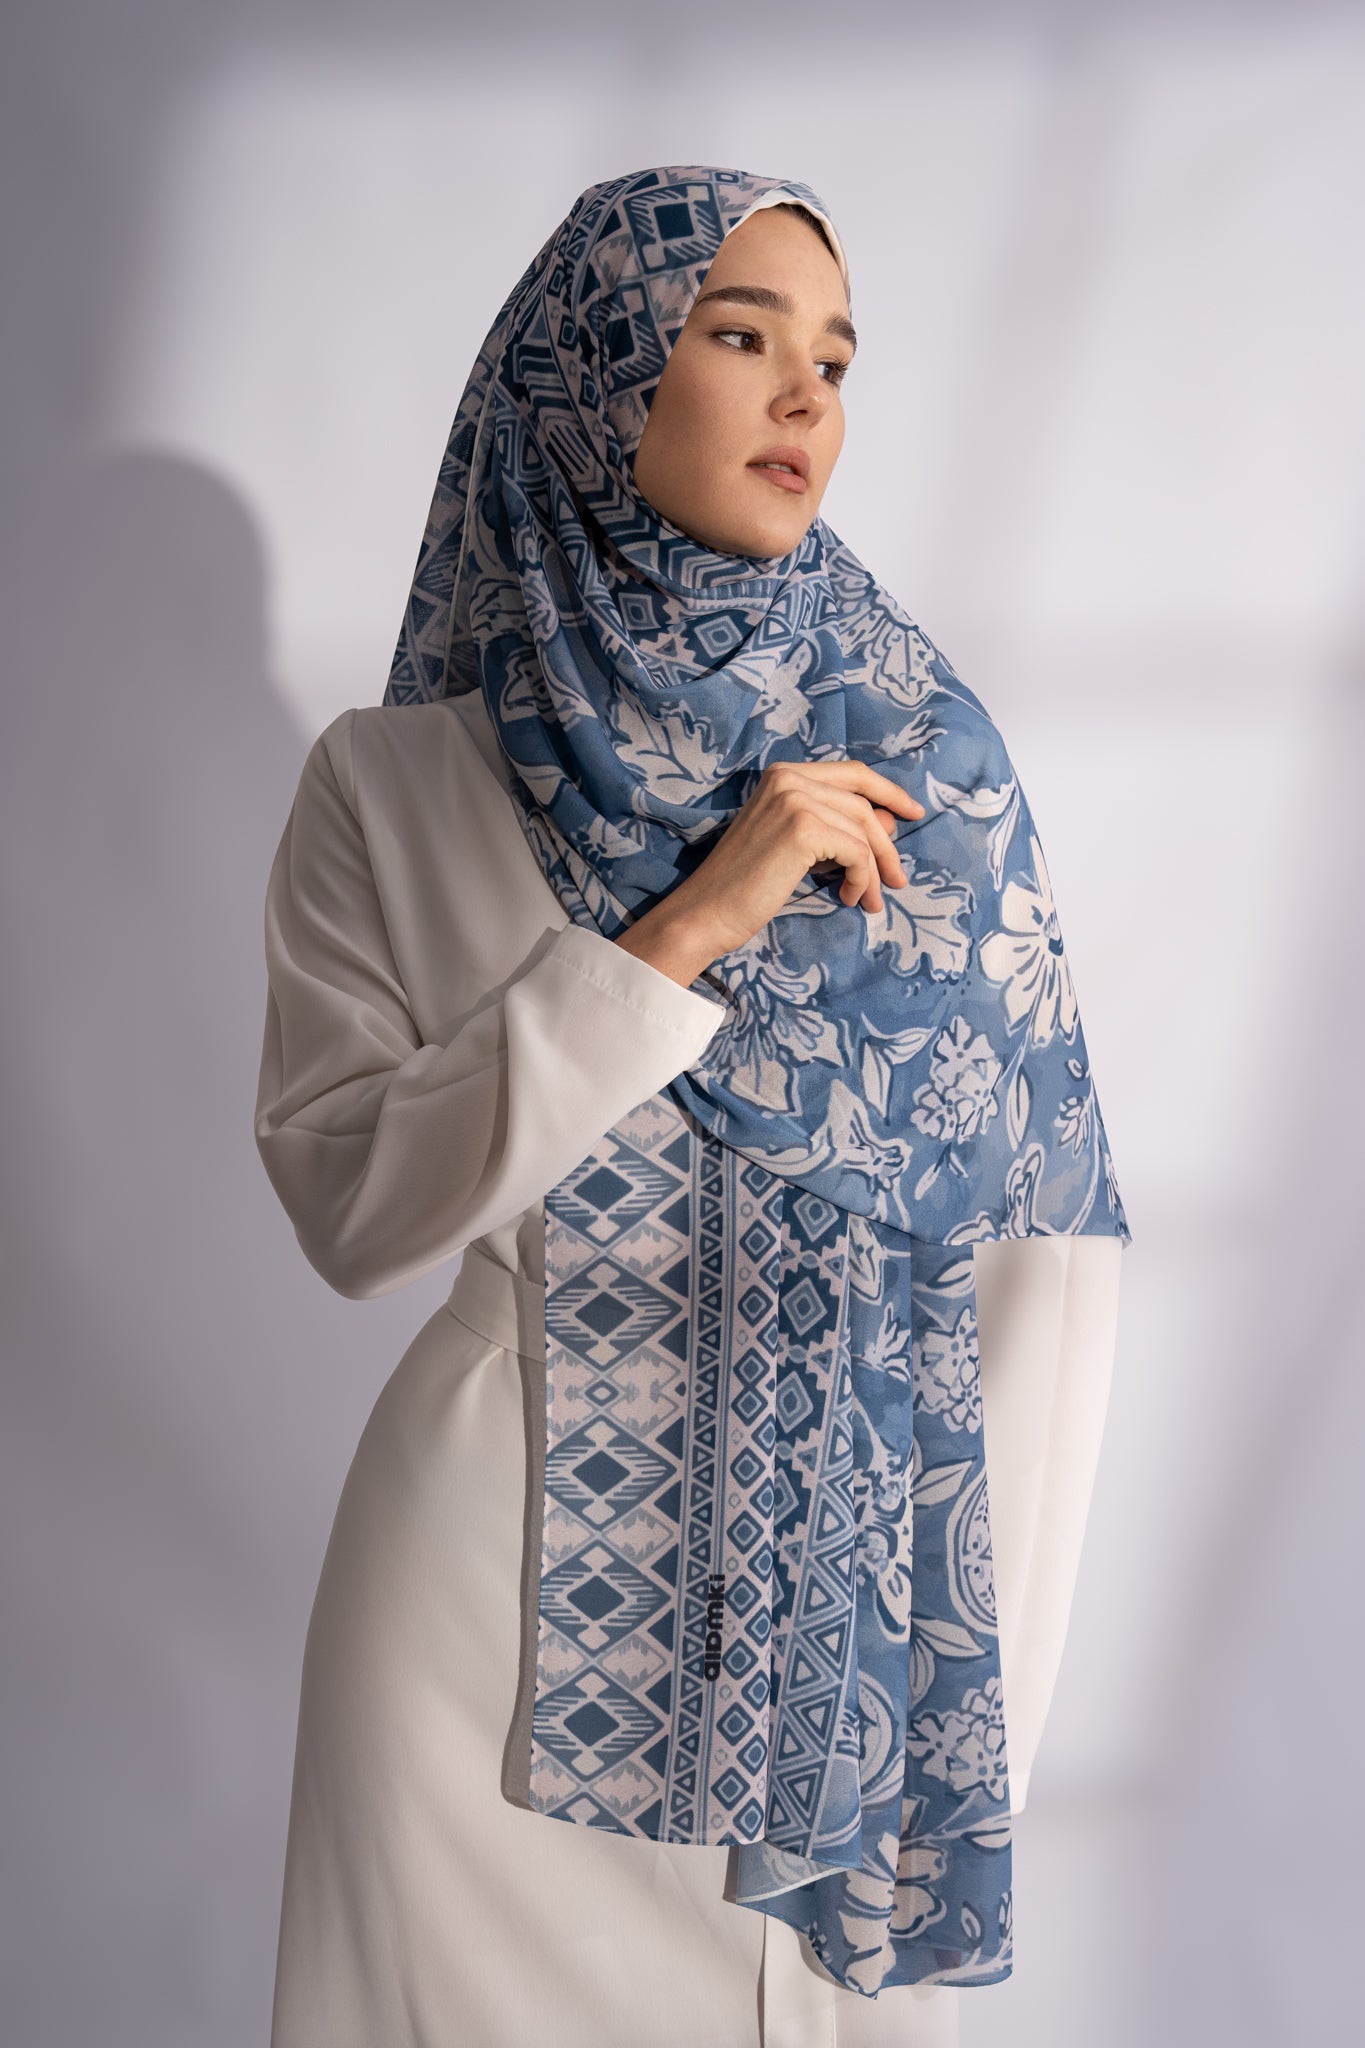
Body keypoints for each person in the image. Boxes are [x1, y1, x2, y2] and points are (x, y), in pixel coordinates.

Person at [254, 164, 1130, 2048]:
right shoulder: (393, 784)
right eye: (739, 336)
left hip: (835, 1653)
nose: (806, 395)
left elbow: (1039, 1264)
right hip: (477, 1626)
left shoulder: (927, 774)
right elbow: (350, 1213)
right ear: (592, 375)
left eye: (836, 358)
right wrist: (681, 932)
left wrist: (968, 1714)